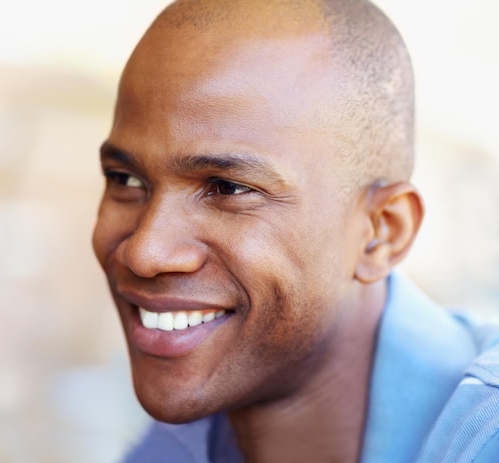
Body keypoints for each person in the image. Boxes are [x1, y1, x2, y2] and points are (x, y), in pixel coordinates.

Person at [92, 0, 499, 461]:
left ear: (382, 232)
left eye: (228, 188)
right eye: (125, 179)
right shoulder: (170, 449)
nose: (145, 252)